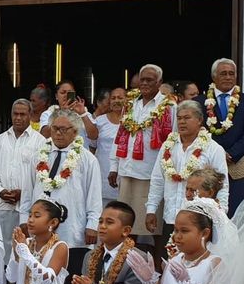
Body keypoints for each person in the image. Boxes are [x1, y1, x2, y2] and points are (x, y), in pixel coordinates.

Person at [20, 108, 102, 284]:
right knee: (42, 273)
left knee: (72, 277)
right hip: (41, 230)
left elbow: (94, 194)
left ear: (75, 132)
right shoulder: (39, 155)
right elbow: (28, 191)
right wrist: (24, 217)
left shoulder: (86, 159)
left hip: (73, 228)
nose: (58, 134)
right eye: (55, 129)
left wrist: (93, 224)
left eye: (63, 129)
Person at [109, 64, 176, 258]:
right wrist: (114, 167)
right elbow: (120, 136)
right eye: (142, 80)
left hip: (151, 174)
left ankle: (157, 270)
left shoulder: (169, 106)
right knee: (127, 226)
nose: (145, 83)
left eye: (150, 80)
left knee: (152, 228)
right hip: (126, 170)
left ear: (159, 83)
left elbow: (173, 140)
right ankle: (126, 266)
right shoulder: (130, 104)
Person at [145, 100, 228, 255]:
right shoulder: (168, 146)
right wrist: (151, 209)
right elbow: (157, 179)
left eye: (187, 118)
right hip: (171, 218)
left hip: (198, 221)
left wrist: (220, 216)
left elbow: (222, 185)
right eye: (180, 118)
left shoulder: (213, 149)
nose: (182, 122)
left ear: (199, 120)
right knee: (169, 265)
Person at [0, 99, 45, 263]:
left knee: (25, 244)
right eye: (15, 114)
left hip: (27, 206)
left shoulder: (40, 141)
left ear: (30, 116)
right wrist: (1, 191)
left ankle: (21, 280)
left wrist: (24, 193)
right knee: (2, 244)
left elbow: (41, 175)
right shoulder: (0, 140)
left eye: (22, 114)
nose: (18, 118)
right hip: (3, 202)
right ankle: (3, 281)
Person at [194, 58, 244, 217]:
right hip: (208, 163)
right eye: (223, 74)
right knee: (207, 212)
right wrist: (216, 152)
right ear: (214, 77)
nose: (228, 77)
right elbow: (196, 130)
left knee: (234, 211)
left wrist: (232, 153)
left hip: (237, 164)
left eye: (232, 74)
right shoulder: (199, 102)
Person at [90, 88, 126, 207]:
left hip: (125, 173)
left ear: (127, 100)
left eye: (120, 98)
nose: (116, 101)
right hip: (104, 173)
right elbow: (92, 147)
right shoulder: (100, 121)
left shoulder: (133, 121)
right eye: (113, 98)